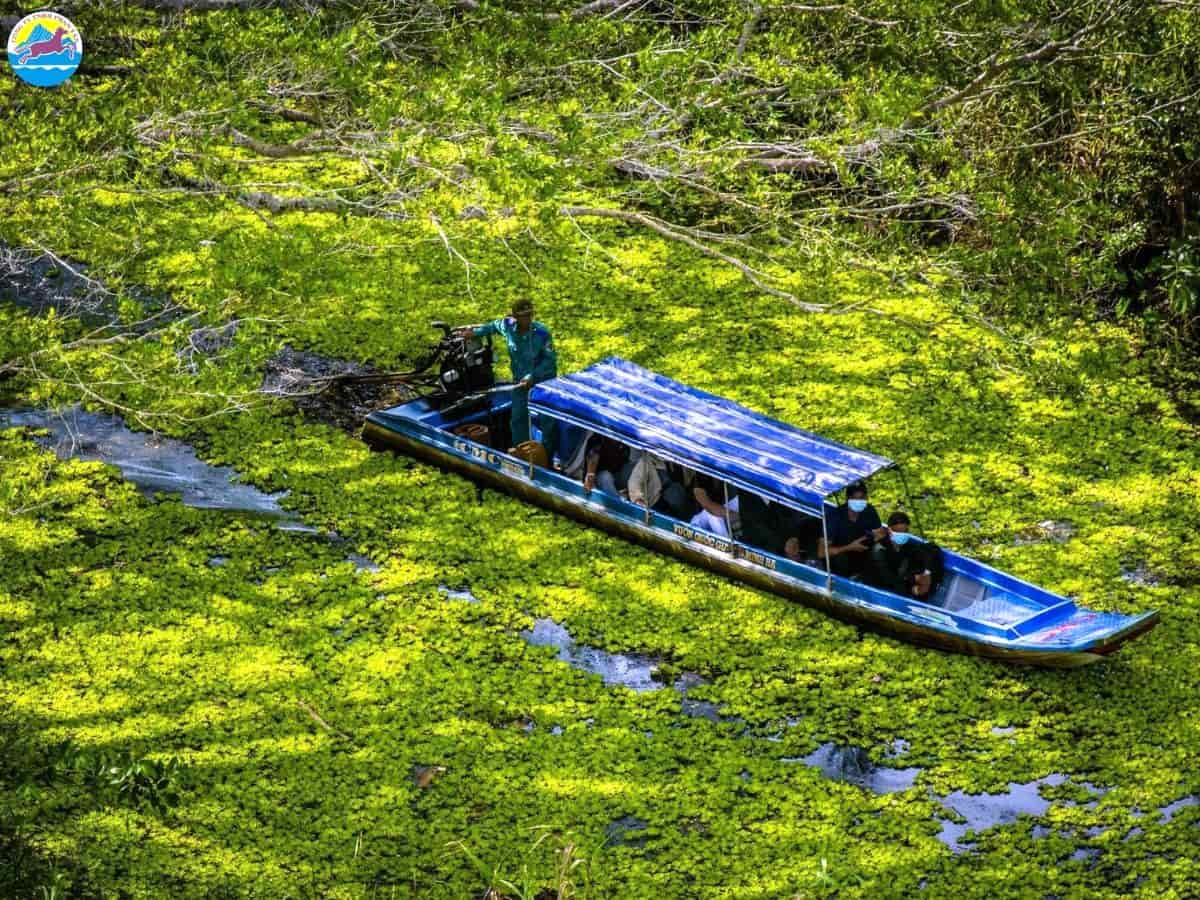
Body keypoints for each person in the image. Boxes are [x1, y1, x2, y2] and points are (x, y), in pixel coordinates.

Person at [457, 298, 556, 452]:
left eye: (530, 315)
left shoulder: (542, 334)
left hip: (543, 383)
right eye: (524, 316)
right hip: (519, 383)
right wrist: (474, 333)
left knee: (547, 422)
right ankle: (521, 453)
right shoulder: (508, 326)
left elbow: (549, 362)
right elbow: (493, 326)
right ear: (515, 317)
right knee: (517, 419)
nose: (528, 319)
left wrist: (532, 376)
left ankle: (547, 456)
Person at [865, 511, 944, 600]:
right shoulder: (879, 551)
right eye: (898, 531)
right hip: (882, 582)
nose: (902, 535)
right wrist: (914, 580)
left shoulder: (906, 544)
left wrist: (927, 573)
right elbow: (888, 579)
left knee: (930, 557)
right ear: (889, 530)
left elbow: (932, 549)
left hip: (904, 575)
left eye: (905, 531)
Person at [816, 481, 883, 577]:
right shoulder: (834, 517)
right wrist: (850, 547)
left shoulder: (869, 511)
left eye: (862, 498)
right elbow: (821, 552)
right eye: (855, 498)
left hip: (861, 552)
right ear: (848, 499)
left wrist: (872, 538)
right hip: (840, 555)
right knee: (840, 559)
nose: (859, 501)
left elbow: (879, 533)